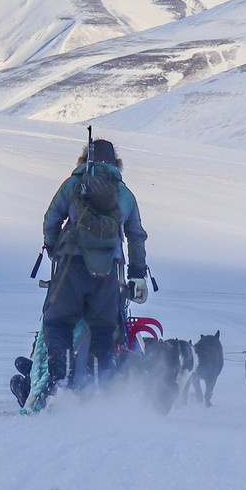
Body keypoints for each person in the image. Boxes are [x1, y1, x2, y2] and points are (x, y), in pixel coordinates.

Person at [35, 136, 148, 396]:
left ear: (85, 159)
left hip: (71, 267)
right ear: (116, 164)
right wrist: (137, 275)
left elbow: (50, 221)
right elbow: (136, 235)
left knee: (59, 323)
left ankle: (59, 387)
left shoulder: (73, 185)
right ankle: (102, 391)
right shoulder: (124, 194)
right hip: (108, 274)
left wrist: (55, 252)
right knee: (104, 329)